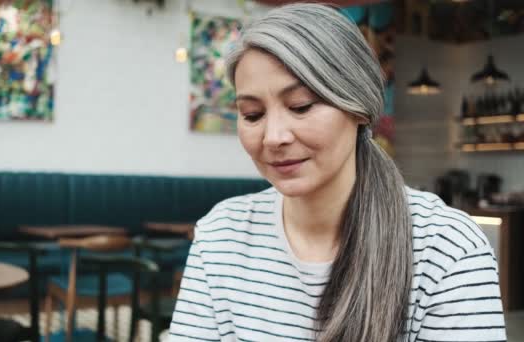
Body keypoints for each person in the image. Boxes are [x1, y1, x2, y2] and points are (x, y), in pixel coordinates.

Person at [168, 3, 506, 341]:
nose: (273, 137)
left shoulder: (446, 247)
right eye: (253, 114)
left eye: (301, 106)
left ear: (358, 106)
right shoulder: (220, 236)